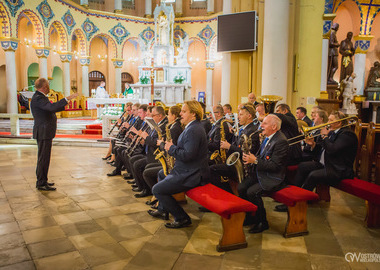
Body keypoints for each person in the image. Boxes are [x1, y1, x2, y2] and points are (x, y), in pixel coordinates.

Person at [148, 101, 209, 228]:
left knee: (157, 190)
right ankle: (163, 209)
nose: (180, 114)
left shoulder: (194, 130)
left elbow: (187, 155)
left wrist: (171, 148)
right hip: (186, 169)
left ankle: (182, 218)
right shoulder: (192, 127)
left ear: (193, 114)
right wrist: (173, 147)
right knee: (161, 173)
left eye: (184, 111)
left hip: (192, 173)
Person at [238, 114, 289, 233]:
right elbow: (262, 157)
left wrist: (254, 160)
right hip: (262, 172)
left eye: (265, 123)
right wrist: (252, 158)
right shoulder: (268, 137)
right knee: (241, 187)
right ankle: (251, 217)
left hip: (274, 177)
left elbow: (275, 166)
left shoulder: (281, 141)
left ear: (274, 126)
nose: (261, 125)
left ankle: (262, 221)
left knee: (252, 192)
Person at [31, 78, 78, 191]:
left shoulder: (40, 97)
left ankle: (43, 180)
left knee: (45, 157)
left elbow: (51, 109)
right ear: (44, 87)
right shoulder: (38, 98)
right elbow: (51, 107)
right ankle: (41, 182)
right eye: (48, 86)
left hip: (45, 131)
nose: (49, 88)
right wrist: (66, 99)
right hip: (43, 132)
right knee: (43, 158)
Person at [294, 111, 358, 191]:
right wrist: (313, 144)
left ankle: (301, 199)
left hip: (339, 170)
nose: (327, 123)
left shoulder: (347, 134)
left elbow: (332, 149)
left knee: (313, 175)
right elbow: (323, 148)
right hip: (327, 164)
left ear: (339, 123)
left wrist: (324, 136)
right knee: (302, 166)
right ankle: (294, 192)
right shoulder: (332, 132)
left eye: (330, 120)